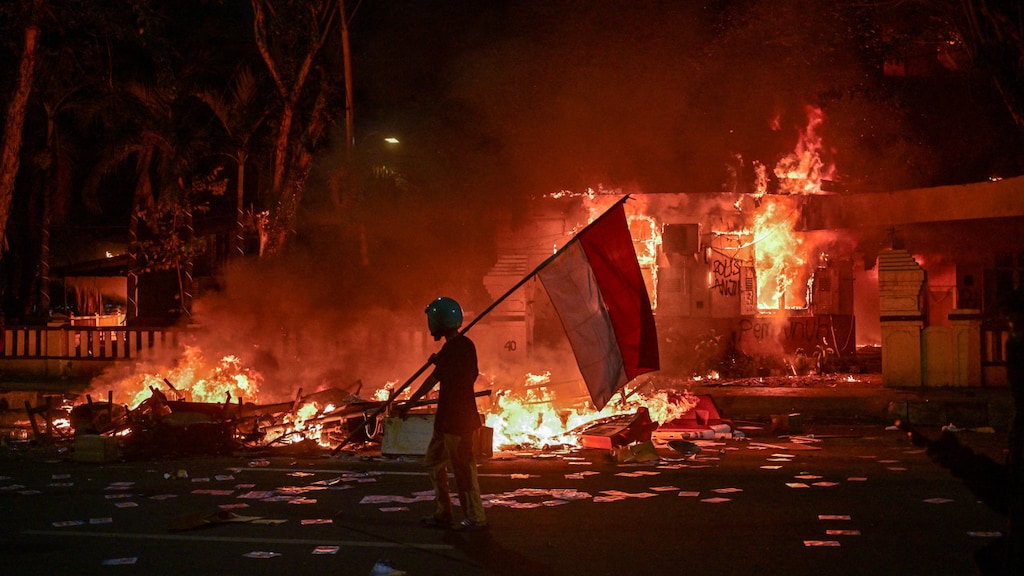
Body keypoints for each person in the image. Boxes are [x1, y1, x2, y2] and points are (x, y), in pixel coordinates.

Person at [397, 297, 488, 531]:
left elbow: (432, 381)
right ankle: (443, 513)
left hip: (456, 423)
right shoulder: (466, 346)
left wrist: (410, 404)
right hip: (449, 420)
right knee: (434, 463)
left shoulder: (452, 350)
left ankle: (476, 518)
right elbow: (471, 375)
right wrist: (443, 363)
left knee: (463, 469)